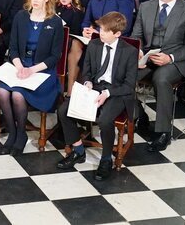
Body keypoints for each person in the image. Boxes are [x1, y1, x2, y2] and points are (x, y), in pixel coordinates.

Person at [56, 11, 139, 181]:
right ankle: (78, 150)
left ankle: (106, 158)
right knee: (63, 110)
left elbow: (129, 86)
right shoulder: (94, 45)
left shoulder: (129, 52)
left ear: (117, 34)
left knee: (105, 120)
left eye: (104, 31)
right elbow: (86, 72)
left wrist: (107, 93)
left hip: (117, 92)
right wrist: (87, 83)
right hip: (96, 88)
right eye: (100, 29)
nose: (100, 33)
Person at [131, 0, 185, 152]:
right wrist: (138, 50)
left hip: (175, 60)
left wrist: (170, 58)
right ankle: (138, 114)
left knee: (161, 79)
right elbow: (136, 36)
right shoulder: (146, 6)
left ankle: (163, 132)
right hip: (149, 57)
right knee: (124, 72)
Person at [0, 0, 64, 155]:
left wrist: (31, 70)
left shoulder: (55, 22)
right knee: (3, 92)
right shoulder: (21, 16)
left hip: (42, 71)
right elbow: (13, 49)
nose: (35, 0)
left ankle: (21, 135)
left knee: (18, 95)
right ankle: (13, 133)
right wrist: (20, 67)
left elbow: (55, 56)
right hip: (20, 66)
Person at [55, 0, 86, 93]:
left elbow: (76, 32)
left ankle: (69, 90)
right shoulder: (54, 9)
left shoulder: (76, 12)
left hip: (68, 41)